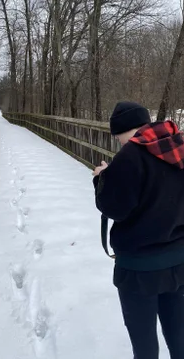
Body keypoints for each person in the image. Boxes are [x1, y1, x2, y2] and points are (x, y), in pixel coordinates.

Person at [93, 101, 184, 359]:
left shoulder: (130, 156)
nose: (120, 143)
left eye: (118, 137)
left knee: (144, 345)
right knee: (179, 337)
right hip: (178, 263)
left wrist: (102, 179)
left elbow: (114, 208)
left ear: (124, 131)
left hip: (138, 270)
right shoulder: (178, 146)